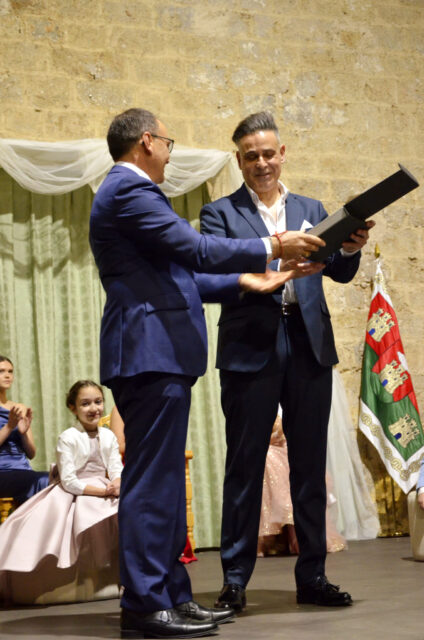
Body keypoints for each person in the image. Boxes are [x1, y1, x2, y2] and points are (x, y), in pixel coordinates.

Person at [89, 107, 326, 639]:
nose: (169, 154)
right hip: (148, 350)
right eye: (168, 143)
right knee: (152, 484)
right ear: (147, 141)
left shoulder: (134, 193)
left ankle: (172, 594)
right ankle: (145, 604)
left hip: (162, 353)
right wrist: (273, 246)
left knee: (168, 483)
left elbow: (180, 277)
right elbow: (196, 250)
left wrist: (246, 282)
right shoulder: (130, 190)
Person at [200, 111, 375, 611]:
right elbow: (214, 270)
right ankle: (235, 581)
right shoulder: (219, 213)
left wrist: (351, 249)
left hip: (308, 345)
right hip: (249, 347)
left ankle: (313, 577)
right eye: (250, 156)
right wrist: (273, 259)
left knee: (309, 467)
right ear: (239, 161)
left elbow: (338, 271)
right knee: (244, 467)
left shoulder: (311, 207)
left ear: (282, 154)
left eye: (268, 154)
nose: (261, 163)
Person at [0, 379, 123, 605]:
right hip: (76, 489)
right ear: (73, 408)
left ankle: (116, 578)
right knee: (83, 511)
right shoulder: (68, 437)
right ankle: (73, 585)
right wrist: (102, 492)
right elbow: (69, 481)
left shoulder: (108, 436)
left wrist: (116, 482)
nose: (93, 408)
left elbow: (116, 467)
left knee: (128, 509)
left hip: (104, 487)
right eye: (85, 404)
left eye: (98, 402)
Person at [257, 412, 346, 557]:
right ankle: (275, 536)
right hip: (269, 451)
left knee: (297, 462)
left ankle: (303, 536)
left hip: (287, 449)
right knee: (269, 461)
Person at [0, 355, 49, 503]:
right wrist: (9, 426)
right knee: (44, 480)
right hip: (3, 471)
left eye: (10, 371)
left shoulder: (18, 408)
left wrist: (23, 433)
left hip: (23, 469)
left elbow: (31, 453)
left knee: (57, 478)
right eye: (1, 371)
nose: (7, 375)